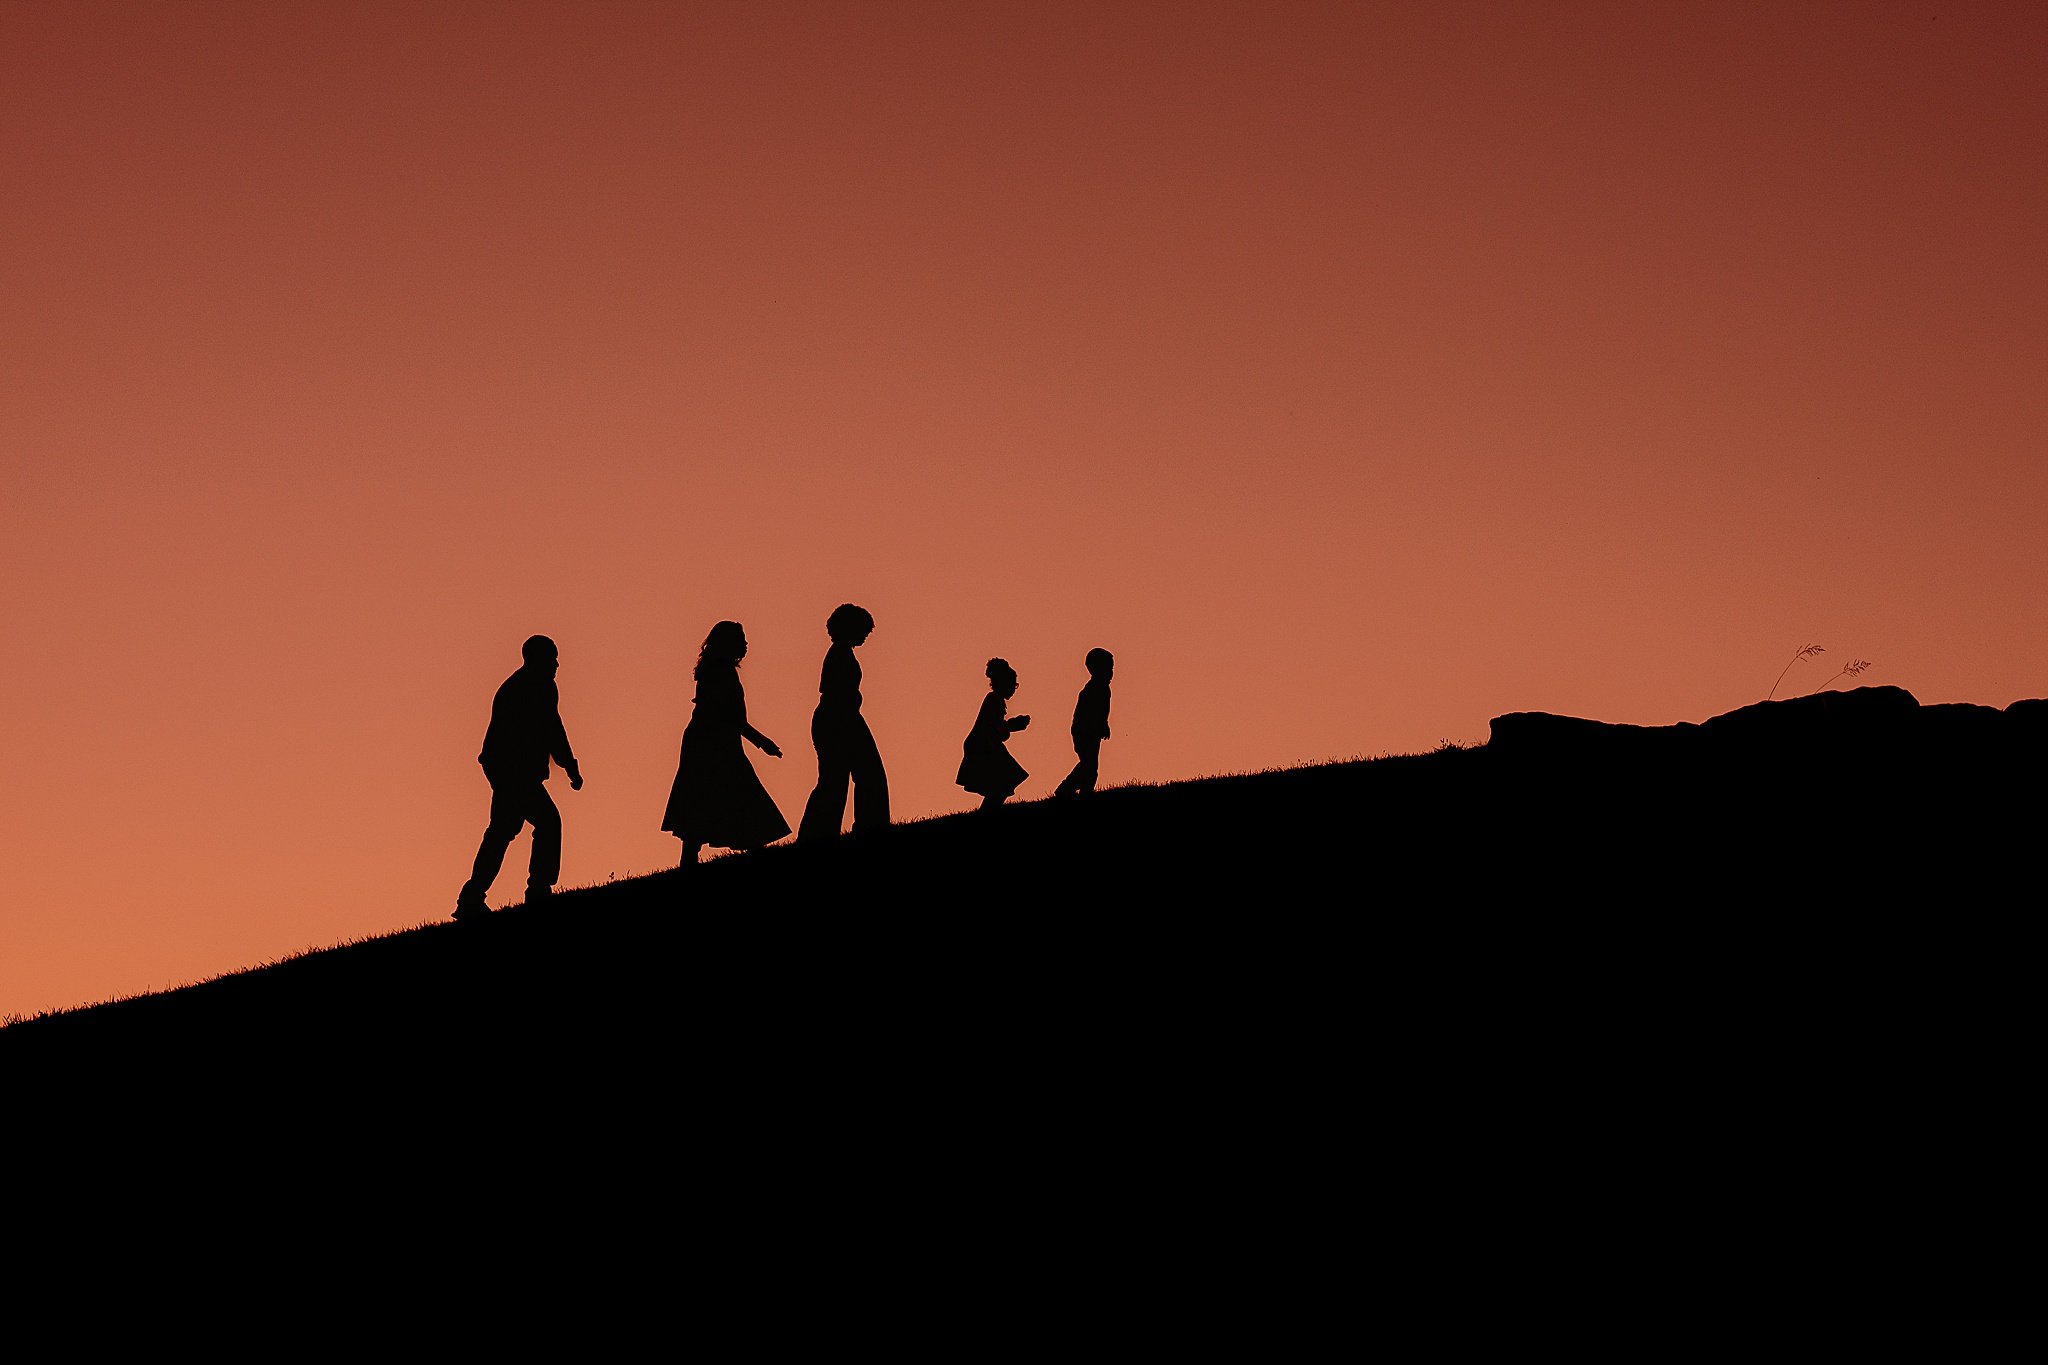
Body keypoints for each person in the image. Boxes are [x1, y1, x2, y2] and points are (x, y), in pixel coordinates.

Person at [455, 634, 583, 920]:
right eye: (552, 659)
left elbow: (553, 728)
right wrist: (570, 767)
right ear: (538, 660)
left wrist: (569, 766)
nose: (557, 665)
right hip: (512, 772)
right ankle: (537, 889)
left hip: (511, 772)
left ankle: (472, 897)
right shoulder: (527, 688)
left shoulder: (538, 686)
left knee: (503, 831)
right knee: (546, 822)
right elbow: (552, 730)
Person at [661, 621, 788, 864]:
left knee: (702, 799)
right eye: (741, 639)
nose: (746, 644)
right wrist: (762, 742)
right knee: (736, 793)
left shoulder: (712, 670)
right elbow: (732, 717)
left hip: (706, 741)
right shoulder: (722, 673)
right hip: (715, 743)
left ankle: (690, 860)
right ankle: (754, 847)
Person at [797, 604, 890, 842]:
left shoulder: (841, 653)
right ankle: (865, 827)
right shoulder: (839, 654)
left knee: (838, 779)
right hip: (840, 719)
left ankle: (820, 834)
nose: (866, 635)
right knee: (855, 777)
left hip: (839, 718)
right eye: (864, 629)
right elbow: (835, 690)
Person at [956, 657, 1031, 809]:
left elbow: (996, 728)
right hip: (983, 747)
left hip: (985, 746)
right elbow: (993, 728)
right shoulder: (994, 700)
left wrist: (1010, 726)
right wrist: (1013, 725)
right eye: (1012, 684)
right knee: (1004, 781)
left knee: (1001, 784)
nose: (1014, 688)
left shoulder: (995, 700)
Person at [1053, 648, 1114, 797]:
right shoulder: (1094, 688)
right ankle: (1067, 788)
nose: (1111, 672)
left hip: (1089, 730)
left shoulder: (1102, 688)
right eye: (1108, 668)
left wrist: (1104, 724)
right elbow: (1091, 712)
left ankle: (1081, 790)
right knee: (1089, 764)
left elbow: (1101, 711)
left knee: (1089, 764)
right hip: (1085, 731)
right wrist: (1101, 725)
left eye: (1111, 668)